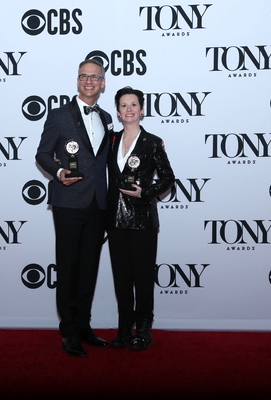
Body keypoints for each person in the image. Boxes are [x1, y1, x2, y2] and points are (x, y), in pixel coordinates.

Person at [35, 59, 114, 357]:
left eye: (95, 77)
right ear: (77, 81)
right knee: (68, 266)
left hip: (97, 202)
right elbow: (42, 154)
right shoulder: (59, 115)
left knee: (88, 268)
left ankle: (83, 325)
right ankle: (68, 331)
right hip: (67, 201)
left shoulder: (107, 117)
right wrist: (58, 174)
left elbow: (109, 159)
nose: (89, 81)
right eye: (84, 76)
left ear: (103, 83)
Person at [107, 86, 175, 351]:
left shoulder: (152, 142)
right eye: (124, 105)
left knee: (143, 279)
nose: (129, 109)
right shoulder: (110, 141)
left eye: (134, 104)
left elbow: (169, 178)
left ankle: (144, 331)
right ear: (118, 111)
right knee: (121, 279)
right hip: (114, 221)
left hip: (142, 221)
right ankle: (124, 330)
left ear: (142, 110)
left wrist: (145, 192)